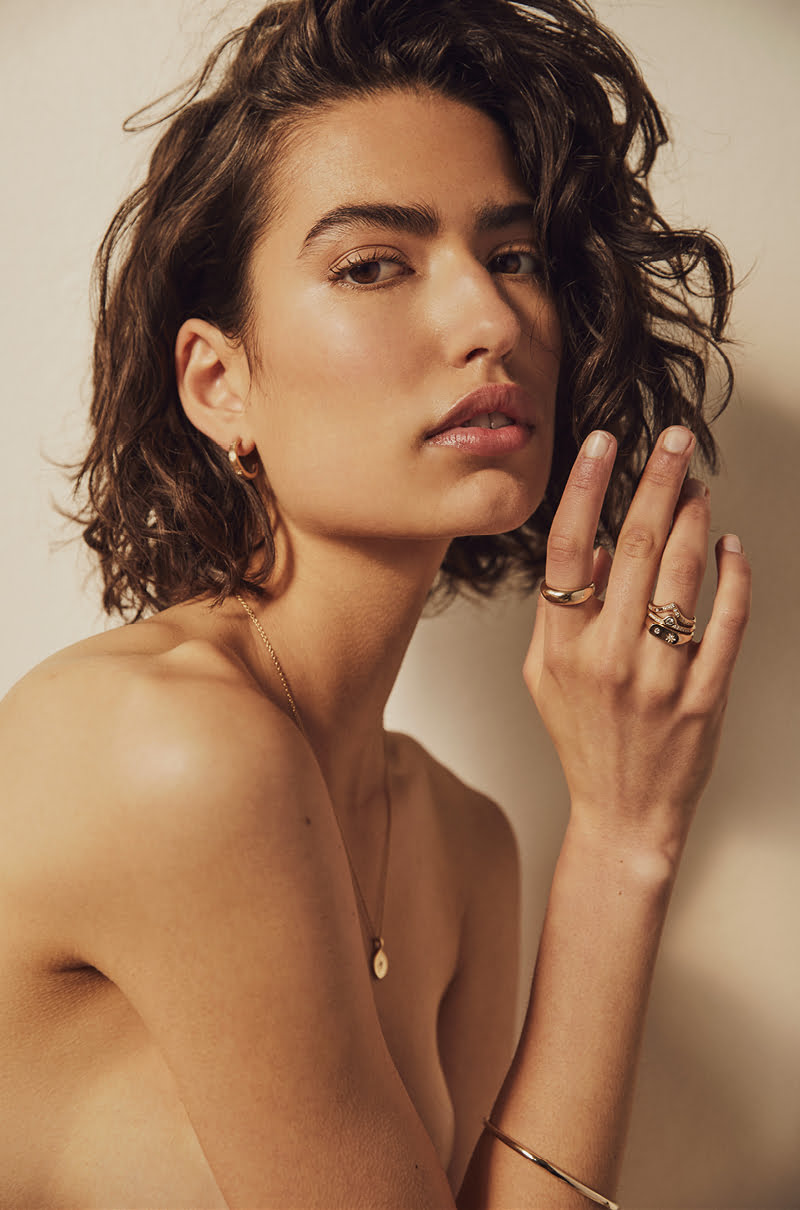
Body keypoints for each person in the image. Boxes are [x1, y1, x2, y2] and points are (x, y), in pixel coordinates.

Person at [0, 0, 751, 1206]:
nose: (490, 319)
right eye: (372, 265)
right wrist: (617, 842)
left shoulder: (463, 843)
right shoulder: (167, 749)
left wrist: (626, 836)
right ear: (218, 382)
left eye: (512, 257)